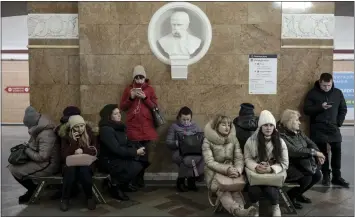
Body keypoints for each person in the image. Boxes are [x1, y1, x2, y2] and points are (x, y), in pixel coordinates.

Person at [202, 114, 257, 216]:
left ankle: (242, 211)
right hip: (214, 174)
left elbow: (239, 157)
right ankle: (238, 211)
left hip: (232, 172)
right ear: (216, 126)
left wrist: (238, 170)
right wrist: (227, 169)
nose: (227, 127)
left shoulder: (233, 139)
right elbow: (209, 162)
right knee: (224, 191)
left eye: (229, 124)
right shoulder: (207, 140)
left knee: (235, 190)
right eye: (223, 124)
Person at [303, 72, 348, 187]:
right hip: (318, 128)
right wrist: (320, 107)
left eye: (329, 85)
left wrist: (339, 122)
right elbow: (306, 110)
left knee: (337, 151)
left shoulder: (337, 93)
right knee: (323, 153)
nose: (327, 88)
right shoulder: (312, 93)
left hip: (333, 127)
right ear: (320, 82)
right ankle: (326, 176)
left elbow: (343, 108)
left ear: (332, 82)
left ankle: (337, 177)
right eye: (324, 85)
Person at [8, 106, 60, 204]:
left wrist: (27, 150)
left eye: (28, 126)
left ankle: (33, 190)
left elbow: (43, 156)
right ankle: (33, 189)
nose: (28, 128)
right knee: (13, 167)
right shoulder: (39, 130)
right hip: (44, 162)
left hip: (49, 165)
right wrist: (26, 147)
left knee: (15, 169)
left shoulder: (46, 133)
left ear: (33, 123)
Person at [244, 110, 289, 217]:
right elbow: (247, 158)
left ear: (274, 127)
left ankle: (275, 207)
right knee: (253, 190)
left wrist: (271, 169)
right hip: (256, 174)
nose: (268, 128)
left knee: (271, 191)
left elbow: (285, 163)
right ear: (260, 127)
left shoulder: (280, 142)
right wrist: (256, 166)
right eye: (265, 125)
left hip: (273, 174)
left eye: (270, 125)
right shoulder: (251, 141)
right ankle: (255, 207)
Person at [120, 65, 158, 188]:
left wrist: (145, 97)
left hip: (146, 128)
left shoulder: (150, 90)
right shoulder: (128, 89)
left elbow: (155, 106)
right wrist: (131, 98)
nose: (139, 80)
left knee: (145, 157)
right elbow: (123, 107)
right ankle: (134, 179)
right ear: (134, 78)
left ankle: (140, 177)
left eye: (141, 77)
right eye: (137, 77)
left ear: (145, 77)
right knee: (135, 155)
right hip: (133, 127)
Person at [278, 109, 324, 209]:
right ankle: (291, 197)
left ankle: (298, 194)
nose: (299, 122)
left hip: (302, 162)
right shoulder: (280, 134)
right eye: (297, 120)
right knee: (306, 178)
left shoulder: (298, 132)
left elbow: (310, 143)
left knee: (317, 175)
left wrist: (317, 154)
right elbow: (293, 151)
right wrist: (314, 152)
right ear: (289, 121)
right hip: (288, 164)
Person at [98, 104, 145, 201]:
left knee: (143, 159)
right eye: (115, 114)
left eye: (119, 113)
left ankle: (124, 184)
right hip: (109, 160)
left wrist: (137, 147)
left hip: (119, 156)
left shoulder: (119, 127)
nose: (119, 115)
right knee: (134, 165)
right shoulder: (106, 129)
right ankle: (114, 186)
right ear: (108, 116)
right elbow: (116, 149)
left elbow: (126, 142)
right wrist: (135, 152)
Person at [59, 115, 98, 211]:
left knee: (84, 171)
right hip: (71, 163)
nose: (80, 129)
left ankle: (89, 197)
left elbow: (96, 150)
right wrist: (73, 143)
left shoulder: (90, 133)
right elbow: (64, 155)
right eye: (77, 126)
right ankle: (65, 199)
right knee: (70, 171)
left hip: (86, 162)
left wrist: (83, 150)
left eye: (82, 126)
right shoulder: (65, 135)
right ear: (72, 127)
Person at [166, 106, 204, 192]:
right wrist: (178, 143)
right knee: (187, 160)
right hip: (178, 151)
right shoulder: (174, 127)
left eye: (188, 119)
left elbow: (202, 138)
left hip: (193, 151)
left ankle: (192, 180)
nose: (186, 122)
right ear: (179, 117)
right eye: (184, 119)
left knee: (202, 157)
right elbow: (168, 142)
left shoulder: (195, 126)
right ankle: (181, 181)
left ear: (191, 118)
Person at [51, 106, 82, 200]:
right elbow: (64, 153)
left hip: (76, 159)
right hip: (64, 161)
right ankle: (66, 196)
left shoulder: (82, 127)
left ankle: (68, 193)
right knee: (70, 168)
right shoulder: (62, 131)